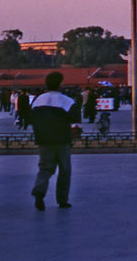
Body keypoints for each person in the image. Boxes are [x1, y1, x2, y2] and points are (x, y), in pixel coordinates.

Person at [30, 71, 80, 210]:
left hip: (44, 141)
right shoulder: (67, 101)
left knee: (45, 169)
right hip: (62, 140)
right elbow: (75, 123)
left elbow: (32, 120)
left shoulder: (37, 101)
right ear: (60, 84)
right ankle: (62, 200)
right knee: (64, 170)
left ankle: (39, 191)